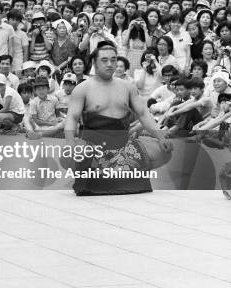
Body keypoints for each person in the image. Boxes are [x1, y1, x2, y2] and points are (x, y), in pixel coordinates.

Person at [64, 42, 173, 195]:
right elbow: (71, 118)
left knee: (164, 150)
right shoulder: (83, 88)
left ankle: (119, 176)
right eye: (104, 60)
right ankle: (101, 174)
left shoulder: (127, 87)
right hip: (94, 145)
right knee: (67, 155)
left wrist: (160, 137)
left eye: (113, 60)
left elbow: (143, 114)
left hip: (123, 145)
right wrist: (70, 143)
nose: (110, 64)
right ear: (94, 62)